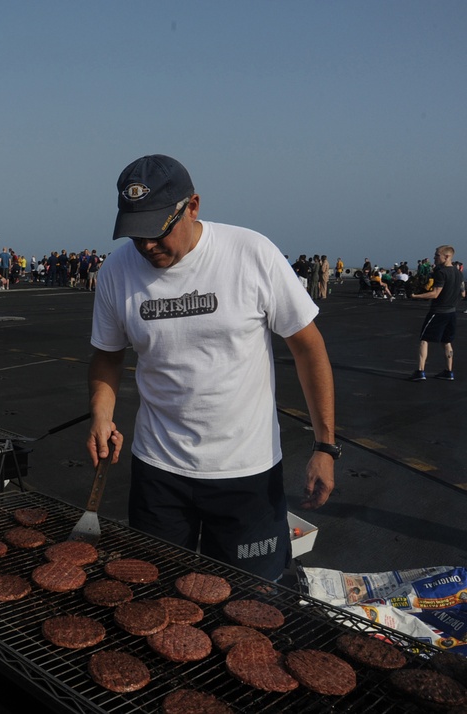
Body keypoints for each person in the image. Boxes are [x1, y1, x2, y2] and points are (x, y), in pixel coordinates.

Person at [87, 154, 336, 582]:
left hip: (246, 473)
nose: (146, 245)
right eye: (135, 234)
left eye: (158, 230)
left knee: (252, 601)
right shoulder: (117, 272)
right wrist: (100, 414)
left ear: (193, 206)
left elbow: (308, 348)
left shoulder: (251, 253)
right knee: (155, 594)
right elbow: (108, 354)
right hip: (157, 470)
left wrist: (325, 447)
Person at [409, 245, 464, 382]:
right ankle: (449, 371)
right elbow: (463, 293)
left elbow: (435, 294)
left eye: (437, 255)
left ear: (446, 257)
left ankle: (421, 371)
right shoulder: (459, 273)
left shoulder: (441, 272)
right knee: (447, 342)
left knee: (424, 340)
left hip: (438, 312)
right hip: (451, 313)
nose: (434, 257)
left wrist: (415, 296)